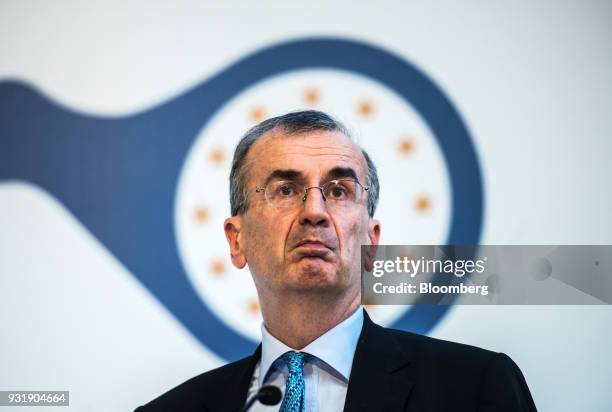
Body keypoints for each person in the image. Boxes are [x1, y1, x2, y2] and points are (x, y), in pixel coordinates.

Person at [135, 110, 536, 412]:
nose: (315, 211)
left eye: (340, 191)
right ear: (236, 240)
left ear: (372, 242)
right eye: (286, 189)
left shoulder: (475, 389)